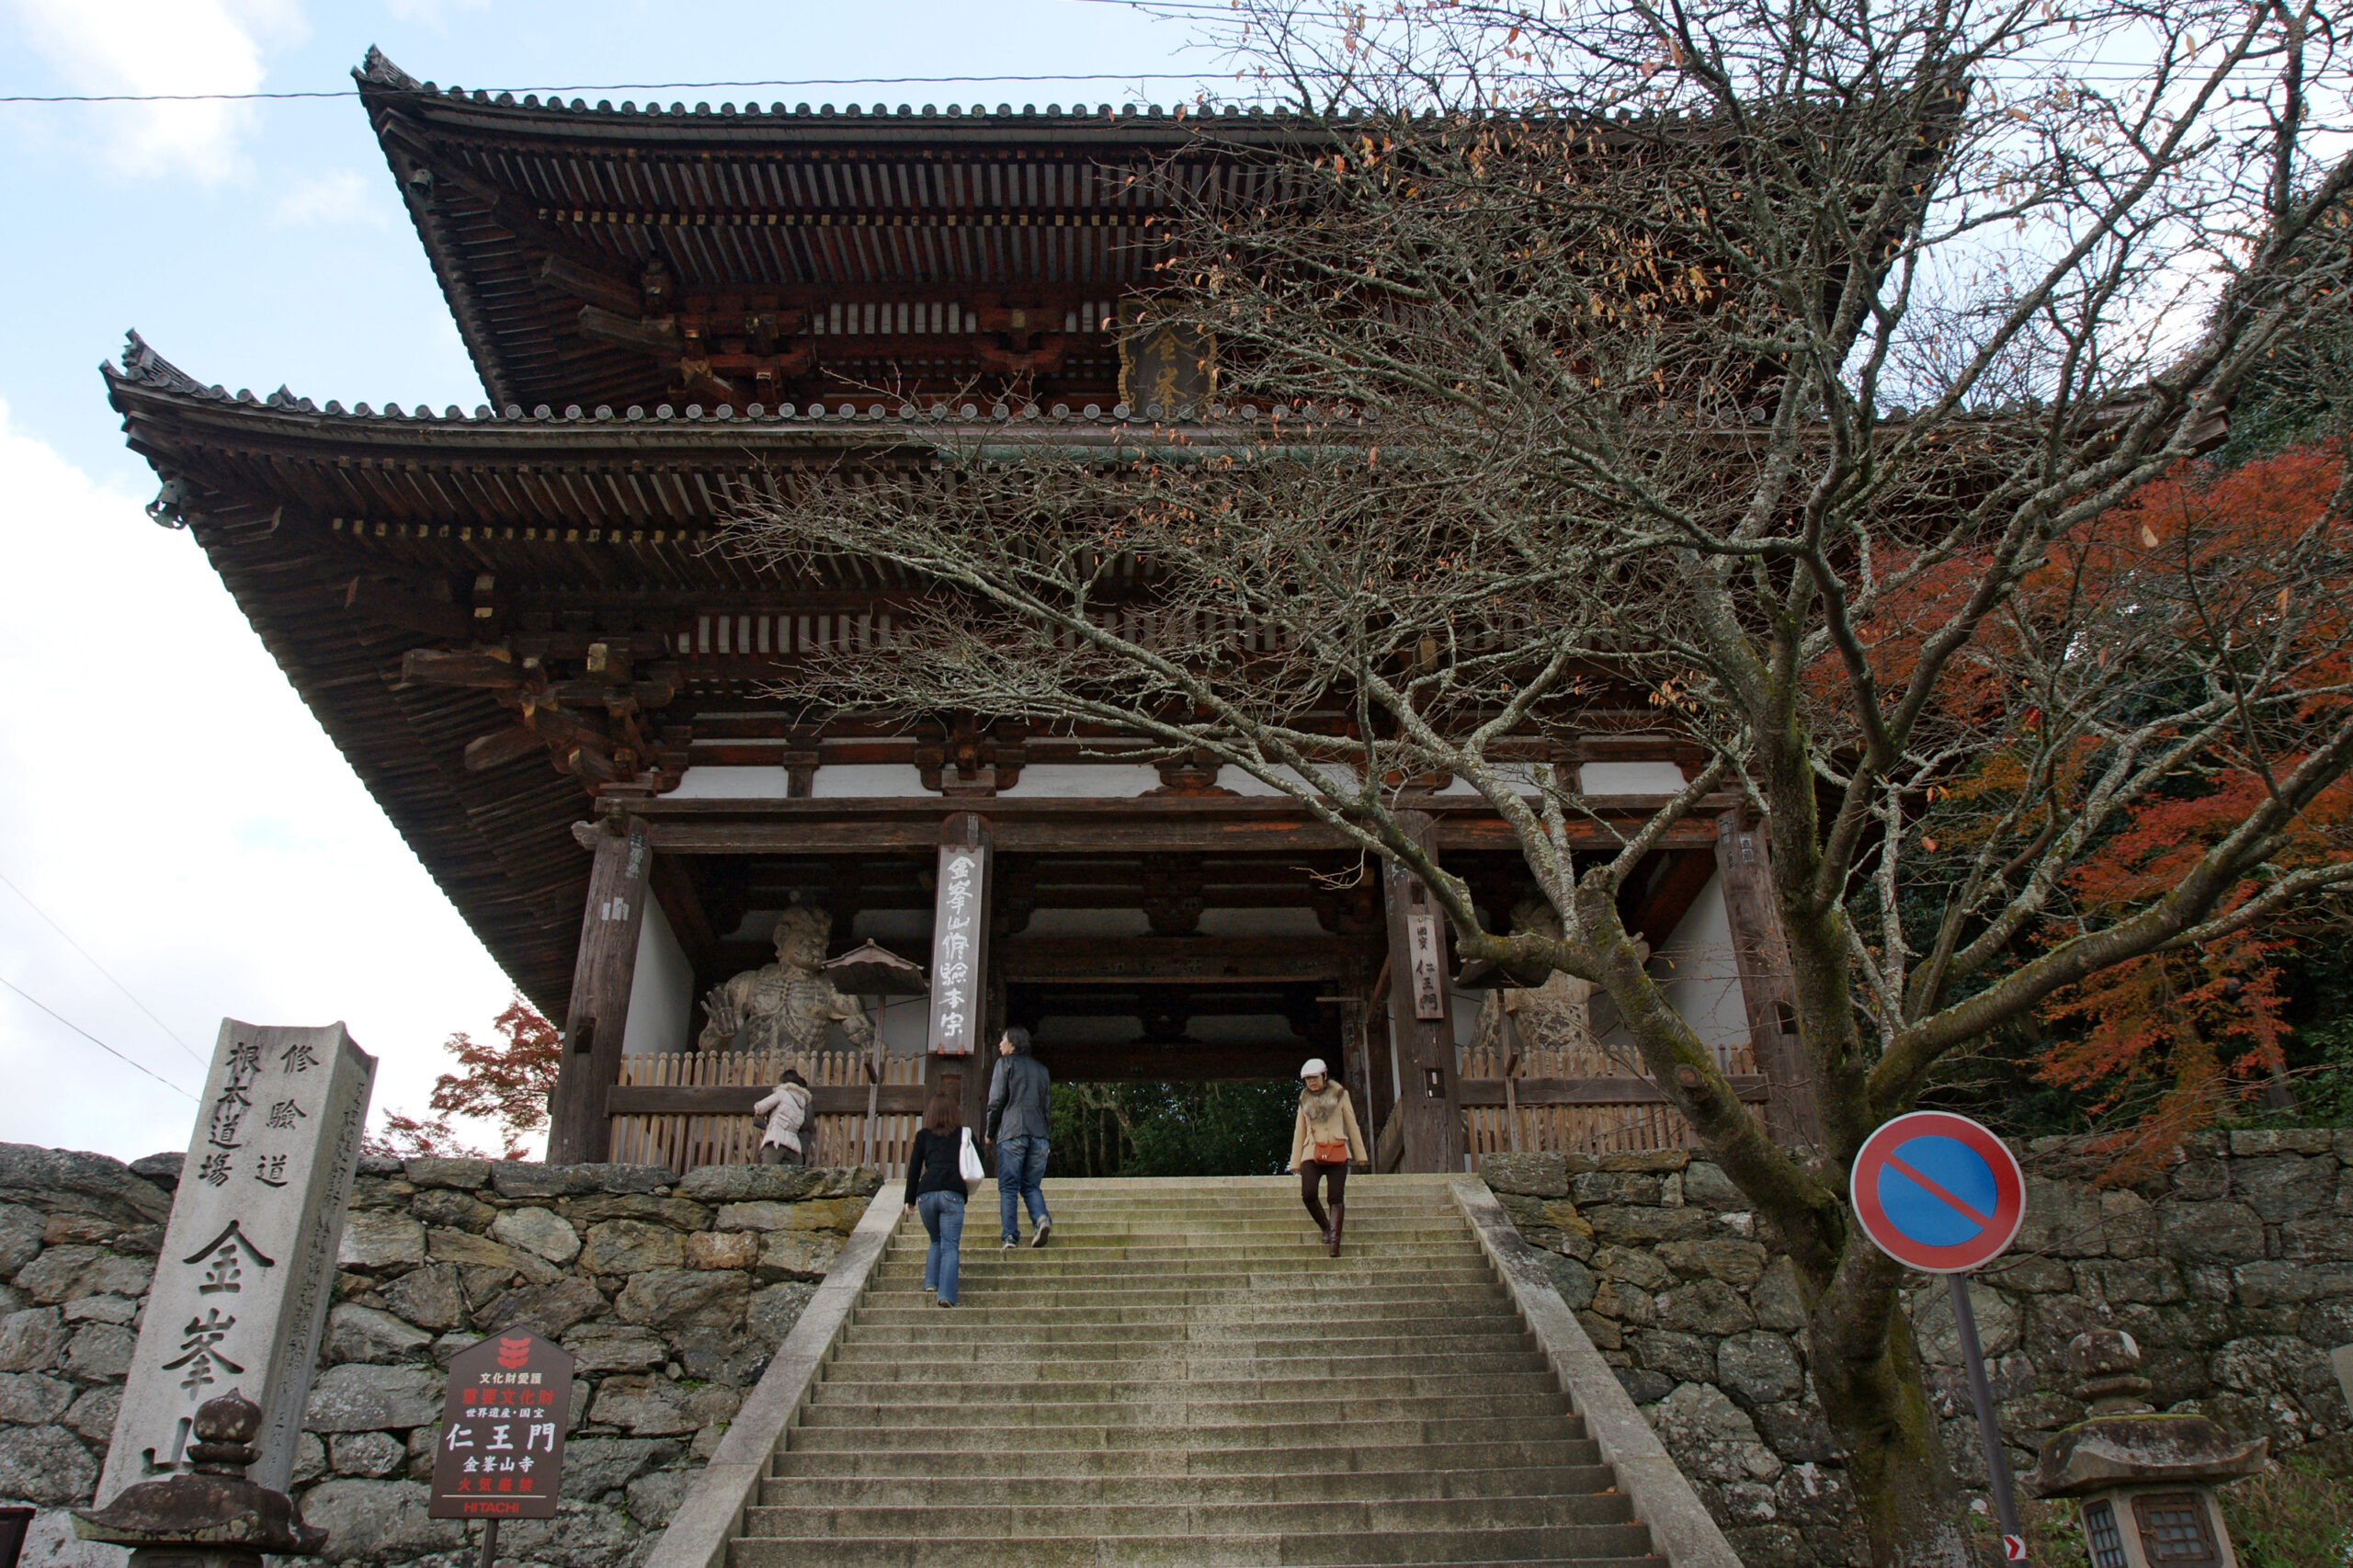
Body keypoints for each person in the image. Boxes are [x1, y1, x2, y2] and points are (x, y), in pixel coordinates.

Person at [1289, 1058, 1367, 1256]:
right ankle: (1325, 1226)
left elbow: (1352, 1123)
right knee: (1308, 1194)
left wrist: (1360, 1154)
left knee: (1335, 1196)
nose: (1312, 1082)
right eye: (1307, 1079)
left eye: (1315, 1077)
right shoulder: (1303, 1099)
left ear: (1324, 1075)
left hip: (1337, 1148)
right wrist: (1295, 1161)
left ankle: (1334, 1243)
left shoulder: (1341, 1095)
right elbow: (1300, 1130)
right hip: (1311, 1151)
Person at [903, 1092, 973, 1307]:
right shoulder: (962, 1134)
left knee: (935, 1240)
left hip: (926, 1194)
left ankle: (930, 1283)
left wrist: (909, 1200)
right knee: (950, 1245)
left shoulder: (923, 1135)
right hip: (951, 1192)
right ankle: (946, 1295)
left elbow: (915, 1167)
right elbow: (976, 1156)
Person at [984, 1026, 1052, 1248]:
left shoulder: (1004, 1064)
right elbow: (1047, 1107)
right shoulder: (1042, 1070)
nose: (1000, 1044)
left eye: (1003, 1039)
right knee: (1031, 1185)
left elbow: (996, 1101)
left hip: (1012, 1131)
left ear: (1013, 1042)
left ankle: (1010, 1236)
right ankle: (1041, 1218)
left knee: (1009, 1186)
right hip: (1039, 1133)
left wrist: (990, 1132)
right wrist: (1047, 1137)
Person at [751, 1068, 812, 1165]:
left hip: (777, 1140)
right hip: (794, 1146)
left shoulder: (782, 1093)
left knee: (767, 1175)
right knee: (789, 1179)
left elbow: (760, 1107)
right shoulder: (803, 1103)